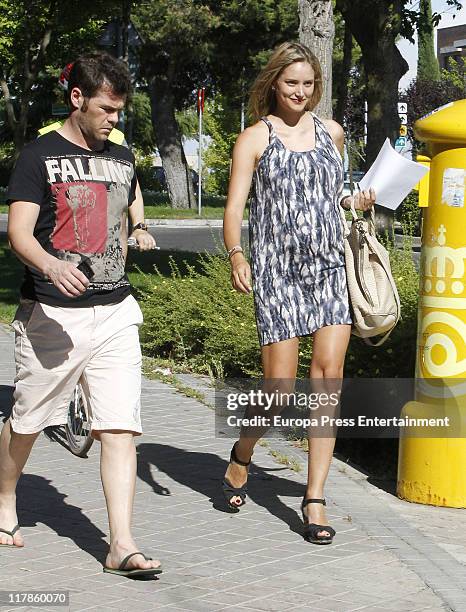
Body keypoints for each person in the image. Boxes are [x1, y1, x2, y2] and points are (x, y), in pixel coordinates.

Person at [0, 51, 161, 577]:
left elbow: (128, 196)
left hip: (115, 309)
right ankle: (5, 499)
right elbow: (19, 233)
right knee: (26, 421)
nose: (115, 118)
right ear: (77, 100)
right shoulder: (38, 156)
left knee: (119, 428)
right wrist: (50, 264)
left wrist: (137, 227)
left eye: (120, 110)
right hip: (52, 313)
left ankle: (122, 544)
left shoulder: (121, 154)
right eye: (106, 109)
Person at [222, 41, 375, 544]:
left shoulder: (332, 132)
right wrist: (237, 255)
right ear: (273, 83)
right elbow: (235, 210)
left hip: (330, 267)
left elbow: (338, 192)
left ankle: (314, 498)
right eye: (292, 83)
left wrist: (359, 199)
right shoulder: (254, 139)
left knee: (328, 379)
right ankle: (243, 452)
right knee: (280, 392)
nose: (301, 92)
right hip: (279, 272)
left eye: (309, 84)